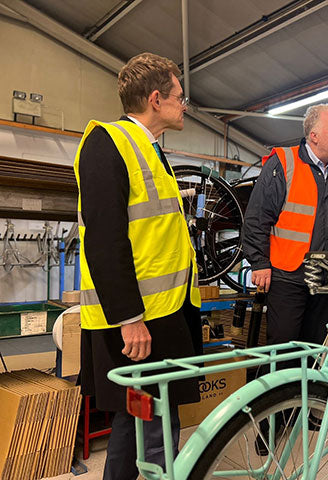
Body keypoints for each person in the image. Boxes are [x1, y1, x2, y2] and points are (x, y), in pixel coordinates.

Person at [74, 52, 202, 480]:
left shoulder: (151, 151)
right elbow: (104, 240)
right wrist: (130, 319)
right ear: (154, 99)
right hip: (138, 322)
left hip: (163, 315)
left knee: (142, 421)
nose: (184, 104)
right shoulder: (108, 143)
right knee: (154, 431)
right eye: (179, 97)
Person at [242, 102, 328, 351]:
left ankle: (308, 391)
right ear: (314, 135)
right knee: (284, 349)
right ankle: (283, 391)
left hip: (323, 277)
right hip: (288, 275)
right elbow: (257, 216)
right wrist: (259, 263)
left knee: (313, 350)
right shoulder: (284, 163)